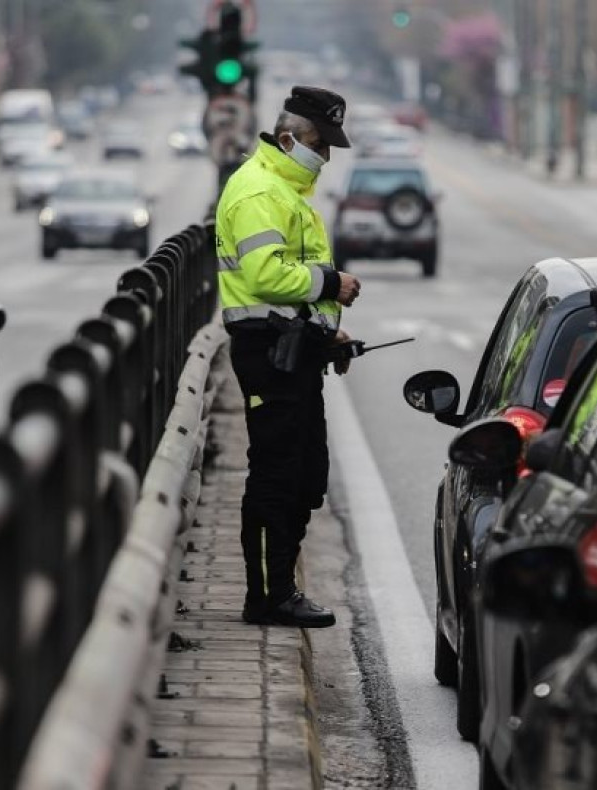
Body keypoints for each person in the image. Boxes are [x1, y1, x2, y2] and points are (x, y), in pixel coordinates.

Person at [216, 86, 361, 629]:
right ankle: (269, 596)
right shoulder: (259, 192)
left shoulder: (285, 191)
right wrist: (331, 282)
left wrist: (329, 340)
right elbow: (265, 277)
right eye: (320, 145)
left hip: (293, 354)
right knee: (276, 475)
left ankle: (283, 588)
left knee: (306, 476)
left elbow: (290, 292)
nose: (324, 158)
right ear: (288, 139)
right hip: (267, 355)